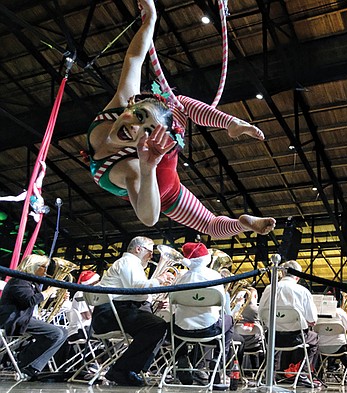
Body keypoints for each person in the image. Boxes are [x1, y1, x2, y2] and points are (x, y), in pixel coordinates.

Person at [86, 0, 275, 238]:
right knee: (178, 103)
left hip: (157, 175)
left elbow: (149, 218)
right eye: (138, 117)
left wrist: (147, 169)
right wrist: (151, 17)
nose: (134, 128)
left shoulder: (131, 167)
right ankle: (244, 222)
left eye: (145, 130)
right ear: (131, 104)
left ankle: (231, 126)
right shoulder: (121, 102)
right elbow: (134, 57)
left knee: (179, 104)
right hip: (158, 167)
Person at [91, 236, 173, 386]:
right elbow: (136, 287)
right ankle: (122, 370)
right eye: (150, 251)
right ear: (138, 249)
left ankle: (129, 369)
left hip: (115, 312)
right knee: (157, 326)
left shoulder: (131, 264)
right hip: (110, 314)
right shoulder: (129, 262)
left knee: (158, 327)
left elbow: (137, 293)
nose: (152, 255)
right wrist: (159, 280)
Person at [172, 242, 235, 388]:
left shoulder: (181, 278)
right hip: (209, 329)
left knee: (172, 321)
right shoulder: (214, 275)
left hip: (181, 330)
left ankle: (182, 357)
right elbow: (221, 305)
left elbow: (174, 304)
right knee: (229, 320)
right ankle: (217, 362)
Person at [0, 254, 68, 380]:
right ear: (33, 267)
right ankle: (30, 367)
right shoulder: (18, 281)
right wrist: (50, 291)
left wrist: (59, 298)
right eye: (44, 267)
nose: (46, 271)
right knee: (56, 333)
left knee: (63, 332)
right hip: (14, 319)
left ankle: (25, 362)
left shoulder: (30, 283)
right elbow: (29, 301)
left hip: (24, 319)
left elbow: (37, 302)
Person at [258, 260, 319, 382]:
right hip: (295, 338)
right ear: (297, 276)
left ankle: (272, 374)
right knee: (314, 337)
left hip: (272, 337)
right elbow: (312, 319)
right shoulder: (302, 291)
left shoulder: (269, 289)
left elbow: (261, 314)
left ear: (282, 273)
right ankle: (301, 373)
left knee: (277, 342)